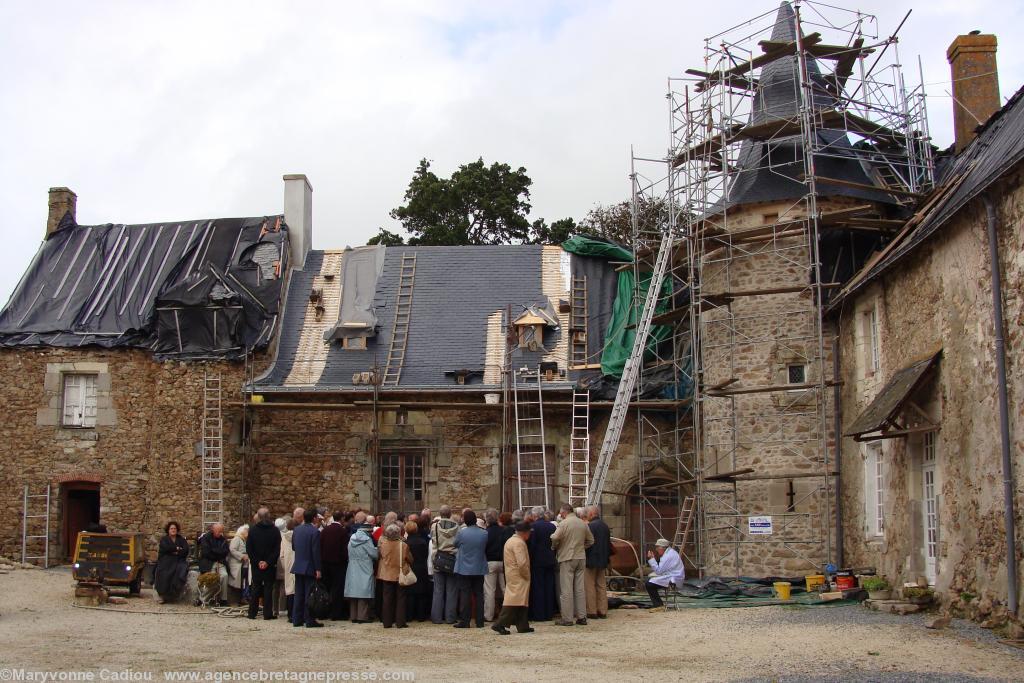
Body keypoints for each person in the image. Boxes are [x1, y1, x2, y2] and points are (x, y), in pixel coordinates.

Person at [550, 503, 594, 626]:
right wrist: (581, 547)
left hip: (567, 557)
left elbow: (555, 537)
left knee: (566, 589)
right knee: (579, 589)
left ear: (563, 512)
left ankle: (567, 618)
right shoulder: (582, 523)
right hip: (580, 557)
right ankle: (582, 616)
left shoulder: (563, 523)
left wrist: (555, 547)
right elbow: (591, 541)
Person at [492, 521, 534, 635]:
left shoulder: (511, 540)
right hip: (519, 574)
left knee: (520, 600)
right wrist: (526, 575)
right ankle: (500, 623)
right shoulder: (519, 543)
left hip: (512, 574)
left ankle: (523, 625)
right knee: (514, 600)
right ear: (525, 533)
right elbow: (522, 563)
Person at [453, 508, 488, 628]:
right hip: (479, 567)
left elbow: (455, 544)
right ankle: (479, 621)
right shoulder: (484, 533)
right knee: (479, 595)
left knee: (465, 595)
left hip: (464, 568)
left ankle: (465, 621)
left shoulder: (462, 532)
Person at [246, 508, 281, 620]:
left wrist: (257, 561)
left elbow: (249, 549)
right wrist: (268, 562)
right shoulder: (275, 530)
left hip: (257, 564)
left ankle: (252, 612)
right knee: (268, 588)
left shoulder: (253, 530)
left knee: (256, 587)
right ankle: (267, 613)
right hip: (269, 565)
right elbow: (277, 549)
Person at [290, 508, 323, 628]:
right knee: (309, 595)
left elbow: (293, 547)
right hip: (309, 565)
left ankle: (296, 619)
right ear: (314, 518)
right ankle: (309, 619)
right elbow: (316, 552)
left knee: (299, 593)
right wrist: (318, 569)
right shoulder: (314, 532)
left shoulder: (297, 530)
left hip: (298, 564)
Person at [377, 524, 413, 628]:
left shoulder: (383, 544)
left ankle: (387, 622)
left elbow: (380, 556)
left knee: (387, 599)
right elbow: (410, 559)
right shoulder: (403, 545)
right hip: (400, 573)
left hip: (387, 573)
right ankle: (400, 622)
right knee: (401, 598)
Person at [430, 505, 460, 624]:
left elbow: (433, 540)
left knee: (438, 590)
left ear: (440, 513)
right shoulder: (457, 527)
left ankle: (436, 617)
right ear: (450, 514)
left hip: (439, 557)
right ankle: (450, 617)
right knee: (451, 590)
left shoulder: (435, 526)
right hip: (452, 558)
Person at [526, 507, 557, 621]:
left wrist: (530, 557)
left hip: (537, 561)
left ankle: (539, 614)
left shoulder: (533, 527)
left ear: (535, 516)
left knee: (538, 587)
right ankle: (549, 613)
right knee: (549, 586)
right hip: (550, 559)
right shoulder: (552, 526)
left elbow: (532, 545)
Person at [345, 521, 379, 623]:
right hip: (364, 566)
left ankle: (354, 616)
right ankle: (362, 616)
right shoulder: (367, 540)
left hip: (352, 566)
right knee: (364, 591)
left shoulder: (351, 538)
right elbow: (374, 554)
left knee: (354, 591)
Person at [584, 505, 614, 619]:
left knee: (590, 586)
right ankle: (603, 610)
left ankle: (592, 611)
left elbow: (587, 543)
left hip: (591, 559)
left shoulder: (590, 526)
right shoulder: (605, 526)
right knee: (601, 586)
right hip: (603, 559)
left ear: (591, 514)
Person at [320, 510, 350, 621]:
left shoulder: (325, 531)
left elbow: (320, 546)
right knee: (337, 589)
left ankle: (325, 611)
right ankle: (336, 613)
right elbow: (344, 550)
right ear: (341, 519)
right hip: (338, 564)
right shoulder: (342, 532)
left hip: (325, 563)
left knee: (326, 588)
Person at [484, 510, 513, 622]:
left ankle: (489, 615)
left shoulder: (486, 532)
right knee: (505, 589)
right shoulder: (503, 531)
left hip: (490, 561)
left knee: (490, 590)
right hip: (502, 561)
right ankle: (509, 614)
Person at [645, 538, 684, 612]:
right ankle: (658, 604)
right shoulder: (670, 552)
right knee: (650, 579)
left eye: (657, 548)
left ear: (661, 548)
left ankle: (658, 605)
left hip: (674, 578)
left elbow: (659, 571)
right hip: (673, 575)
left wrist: (651, 559)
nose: (656, 550)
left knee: (649, 584)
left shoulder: (667, 556)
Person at [154, 521, 189, 603]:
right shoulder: (164, 539)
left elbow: (185, 550)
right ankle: (162, 594)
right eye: (171, 528)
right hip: (166, 560)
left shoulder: (181, 539)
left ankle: (173, 594)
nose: (173, 530)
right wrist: (177, 548)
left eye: (175, 528)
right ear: (168, 530)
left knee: (180, 570)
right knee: (164, 571)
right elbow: (166, 548)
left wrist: (174, 550)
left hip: (179, 560)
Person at [198, 522, 231, 606]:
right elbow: (206, 552)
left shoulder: (223, 539)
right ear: (213, 530)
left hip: (220, 563)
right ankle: (202, 598)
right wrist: (218, 553)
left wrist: (215, 551)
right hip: (209, 563)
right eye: (218, 531)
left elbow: (225, 551)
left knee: (224, 576)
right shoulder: (205, 538)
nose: (220, 533)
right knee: (212, 578)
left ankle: (223, 600)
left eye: (221, 531)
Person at [404, 520, 430, 622]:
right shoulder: (423, 542)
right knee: (421, 592)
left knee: (410, 593)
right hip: (421, 567)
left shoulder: (406, 543)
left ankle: (410, 615)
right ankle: (421, 616)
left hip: (410, 567)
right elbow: (425, 555)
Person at [228, 525, 249, 605]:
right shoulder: (237, 539)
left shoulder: (244, 540)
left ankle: (244, 597)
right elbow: (232, 549)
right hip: (237, 564)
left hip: (245, 565)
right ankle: (236, 600)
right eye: (246, 531)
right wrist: (241, 556)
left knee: (245, 582)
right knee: (237, 583)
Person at [280, 519, 296, 619]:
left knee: (289, 590)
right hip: (298, 564)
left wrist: (285, 566)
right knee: (297, 590)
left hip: (288, 564)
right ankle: (296, 613)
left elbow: (281, 555)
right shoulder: (298, 536)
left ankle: (290, 614)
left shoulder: (283, 538)